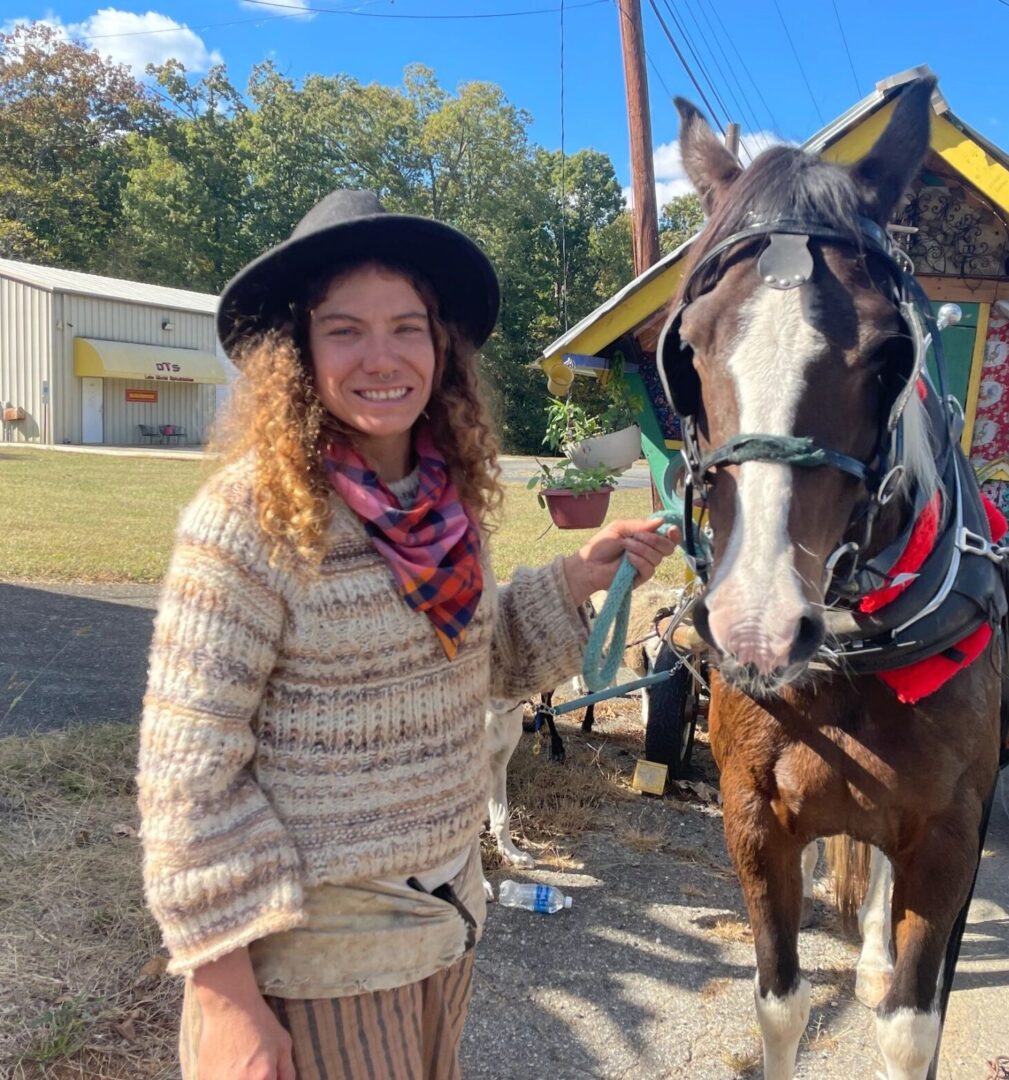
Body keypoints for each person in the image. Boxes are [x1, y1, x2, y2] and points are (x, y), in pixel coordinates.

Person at [137, 190, 678, 1080]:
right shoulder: (246, 523)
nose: (381, 357)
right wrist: (226, 995)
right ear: (299, 352)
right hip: (318, 958)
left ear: (442, 346)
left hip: (446, 918)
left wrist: (582, 574)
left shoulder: (447, 505)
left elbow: (479, 662)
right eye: (344, 329)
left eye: (407, 327)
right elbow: (186, 776)